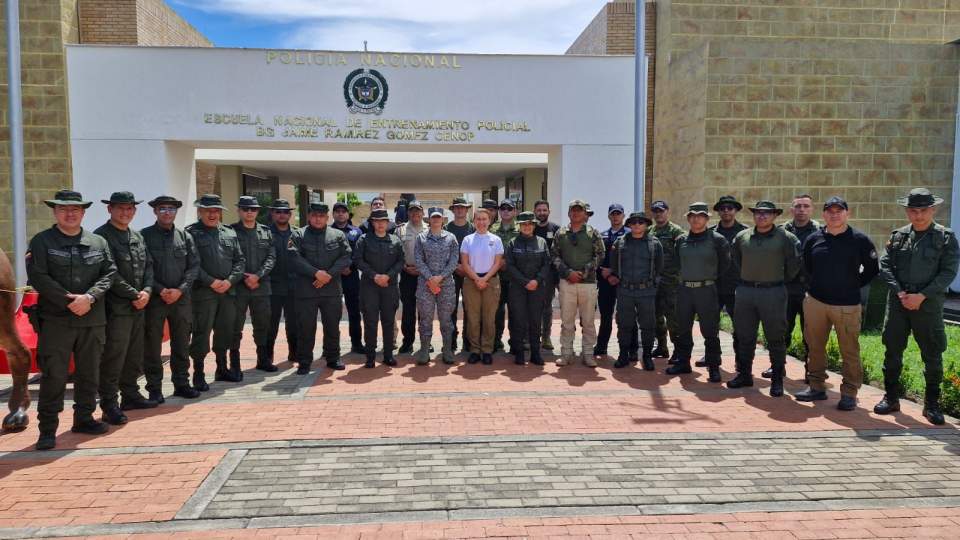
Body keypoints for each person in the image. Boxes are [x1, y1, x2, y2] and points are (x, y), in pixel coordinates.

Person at [28, 189, 117, 450]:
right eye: (64, 209)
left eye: (75, 209)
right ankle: (47, 429)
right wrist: (70, 300)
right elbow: (39, 277)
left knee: (89, 372)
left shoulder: (98, 242)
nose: (70, 213)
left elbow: (109, 273)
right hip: (57, 320)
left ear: (83, 212)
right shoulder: (42, 242)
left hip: (92, 318)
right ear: (55, 212)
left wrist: (89, 298)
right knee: (54, 375)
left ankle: (84, 418)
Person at [875, 188, 959, 425]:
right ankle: (891, 397)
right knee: (892, 350)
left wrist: (921, 295)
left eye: (924, 210)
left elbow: (948, 272)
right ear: (907, 211)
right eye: (913, 210)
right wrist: (901, 292)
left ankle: (931, 405)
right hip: (899, 302)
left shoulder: (945, 238)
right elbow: (885, 265)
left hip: (929, 304)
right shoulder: (898, 236)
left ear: (933, 210)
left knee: (932, 353)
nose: (919, 215)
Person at [794, 197, 879, 410]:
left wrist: (851, 286)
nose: (834, 214)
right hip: (816, 303)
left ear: (847, 213)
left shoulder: (860, 240)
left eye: (839, 211)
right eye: (829, 211)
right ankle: (816, 387)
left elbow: (871, 270)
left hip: (847, 305)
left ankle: (849, 393)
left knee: (849, 350)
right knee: (815, 347)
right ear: (823, 215)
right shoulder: (813, 239)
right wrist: (814, 288)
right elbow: (805, 267)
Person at [94, 192, 157, 426]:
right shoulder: (101, 237)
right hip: (116, 307)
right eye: (120, 208)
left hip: (139, 306)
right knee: (114, 356)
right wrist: (134, 294)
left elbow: (149, 266)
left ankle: (131, 394)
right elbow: (109, 273)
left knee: (134, 354)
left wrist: (148, 291)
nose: (125, 213)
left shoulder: (137, 236)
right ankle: (109, 404)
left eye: (129, 209)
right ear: (109, 209)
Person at [727, 201, 801, 397]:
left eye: (767, 213)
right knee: (744, 336)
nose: (762, 216)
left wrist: (777, 280)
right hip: (746, 292)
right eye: (758, 213)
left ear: (775, 216)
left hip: (773, 293)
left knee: (775, 337)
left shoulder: (785, 238)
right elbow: (735, 260)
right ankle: (744, 374)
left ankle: (777, 379)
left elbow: (794, 264)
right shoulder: (742, 236)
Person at [142, 195, 200, 403]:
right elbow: (144, 267)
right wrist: (161, 290)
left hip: (181, 299)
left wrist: (180, 290)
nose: (167, 212)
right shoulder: (144, 236)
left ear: (176, 212)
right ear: (155, 211)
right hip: (156, 300)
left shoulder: (185, 237)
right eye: (162, 209)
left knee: (182, 344)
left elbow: (194, 267)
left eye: (171, 209)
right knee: (152, 346)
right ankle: (154, 389)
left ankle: (181, 384)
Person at [186, 194, 245, 391]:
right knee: (201, 334)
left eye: (216, 210)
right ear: (200, 211)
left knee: (225, 332)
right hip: (204, 293)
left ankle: (222, 368)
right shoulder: (191, 233)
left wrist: (229, 281)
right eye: (208, 210)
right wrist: (211, 281)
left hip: (228, 293)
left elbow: (240, 261)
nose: (212, 214)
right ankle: (199, 374)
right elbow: (192, 264)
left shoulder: (229, 233)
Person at [667, 203, 730, 382]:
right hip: (685, 290)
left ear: (707, 218)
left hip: (706, 290)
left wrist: (711, 280)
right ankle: (683, 363)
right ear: (688, 218)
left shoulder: (717, 239)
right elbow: (677, 263)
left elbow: (725, 265)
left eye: (700, 215)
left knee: (709, 331)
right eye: (692, 216)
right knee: (683, 329)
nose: (696, 219)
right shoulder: (681, 240)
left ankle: (713, 366)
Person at [288, 202, 353, 374]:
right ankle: (304, 362)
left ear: (327, 217)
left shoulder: (338, 235)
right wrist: (316, 273)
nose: (318, 219)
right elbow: (294, 258)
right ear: (309, 216)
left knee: (332, 326)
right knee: (306, 328)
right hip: (306, 291)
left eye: (321, 216)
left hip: (331, 291)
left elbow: (346, 257)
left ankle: (333, 358)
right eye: (314, 215)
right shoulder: (298, 234)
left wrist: (328, 275)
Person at [552, 199, 605, 367]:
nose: (576, 213)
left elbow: (600, 254)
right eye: (573, 210)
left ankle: (588, 353)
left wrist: (585, 271)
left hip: (588, 283)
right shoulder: (561, 233)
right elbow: (554, 255)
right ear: (569, 213)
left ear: (585, 214)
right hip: (567, 283)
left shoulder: (592, 233)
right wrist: (568, 272)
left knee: (588, 321)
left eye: (579, 211)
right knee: (567, 321)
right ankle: (566, 353)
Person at [773, 194, 819, 381]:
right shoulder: (781, 231)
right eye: (798, 206)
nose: (801, 210)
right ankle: (778, 366)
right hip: (786, 289)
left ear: (811, 209)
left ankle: (811, 369)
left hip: (809, 291)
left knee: (810, 333)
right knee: (781, 330)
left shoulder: (819, 231)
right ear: (791, 210)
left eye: (805, 206)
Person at [229, 196, 275, 376]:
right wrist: (243, 277)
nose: (249, 212)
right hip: (238, 287)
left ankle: (263, 360)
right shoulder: (230, 231)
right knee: (235, 326)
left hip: (261, 286)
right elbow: (229, 258)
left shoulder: (266, 231)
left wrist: (258, 276)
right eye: (245, 209)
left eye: (253, 209)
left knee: (263, 324)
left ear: (257, 211)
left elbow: (272, 257)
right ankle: (234, 364)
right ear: (239, 210)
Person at [610, 212, 663, 370]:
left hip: (646, 291)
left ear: (646, 225)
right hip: (625, 290)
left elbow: (659, 267)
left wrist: (653, 285)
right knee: (624, 325)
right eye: (634, 222)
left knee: (648, 325)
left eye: (641, 222)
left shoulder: (654, 243)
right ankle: (623, 355)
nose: (637, 225)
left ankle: (646, 356)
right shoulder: (620, 243)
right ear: (629, 225)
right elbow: (614, 264)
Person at [353, 208, 404, 368]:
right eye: (377, 221)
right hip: (370, 287)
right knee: (370, 322)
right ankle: (370, 356)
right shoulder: (363, 239)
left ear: (387, 222)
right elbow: (358, 260)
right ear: (372, 223)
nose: (380, 224)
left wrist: (387, 276)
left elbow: (400, 262)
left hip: (389, 286)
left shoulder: (395, 240)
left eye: (383, 221)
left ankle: (388, 355)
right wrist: (375, 276)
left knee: (388, 321)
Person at [413, 207, 461, 365]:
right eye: (433, 217)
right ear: (429, 219)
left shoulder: (451, 238)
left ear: (443, 219)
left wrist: (440, 277)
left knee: (446, 319)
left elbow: (454, 260)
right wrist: (431, 278)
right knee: (425, 319)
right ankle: (424, 350)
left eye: (438, 217)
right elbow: (418, 260)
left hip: (446, 285)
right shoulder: (421, 238)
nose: (435, 220)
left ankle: (447, 350)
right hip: (425, 285)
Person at [505, 211, 552, 365]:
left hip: (537, 288)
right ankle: (519, 353)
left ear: (533, 225)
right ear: (519, 226)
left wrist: (537, 281)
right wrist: (525, 281)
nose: (526, 227)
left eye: (529, 224)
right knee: (518, 320)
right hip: (518, 288)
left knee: (535, 320)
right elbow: (510, 266)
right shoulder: (512, 243)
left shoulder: (541, 242)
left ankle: (535, 353)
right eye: (523, 224)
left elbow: (547, 264)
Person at [460, 208, 505, 365]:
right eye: (478, 219)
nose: (481, 222)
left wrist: (485, 278)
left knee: (489, 318)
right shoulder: (467, 240)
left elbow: (498, 262)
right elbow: (464, 263)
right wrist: (477, 279)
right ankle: (474, 350)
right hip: (471, 282)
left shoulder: (496, 240)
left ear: (489, 220)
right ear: (474, 221)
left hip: (490, 281)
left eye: (484, 219)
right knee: (473, 318)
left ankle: (487, 350)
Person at [708, 195, 747, 367]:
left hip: (736, 286)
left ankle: (740, 360)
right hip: (714, 286)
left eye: (730, 208)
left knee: (739, 327)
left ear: (736, 210)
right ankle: (712, 357)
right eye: (722, 208)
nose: (726, 211)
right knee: (710, 326)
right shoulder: (709, 233)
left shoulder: (745, 233)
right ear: (718, 211)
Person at [650, 200, 684, 361]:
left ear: (667, 211)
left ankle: (678, 350)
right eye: (655, 211)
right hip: (654, 282)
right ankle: (661, 347)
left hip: (672, 282)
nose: (658, 214)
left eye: (661, 211)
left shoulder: (676, 231)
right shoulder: (649, 231)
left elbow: (683, 255)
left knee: (673, 318)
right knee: (656, 316)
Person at [266, 199, 297, 368]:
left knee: (294, 323)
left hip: (293, 286)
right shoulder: (265, 233)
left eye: (285, 212)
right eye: (278, 212)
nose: (282, 215)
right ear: (272, 214)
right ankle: (267, 356)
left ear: (290, 215)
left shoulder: (297, 234)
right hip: (272, 285)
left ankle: (294, 352)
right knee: (271, 324)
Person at [595, 204, 628, 356]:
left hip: (624, 282)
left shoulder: (629, 234)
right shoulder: (602, 235)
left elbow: (630, 260)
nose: (615, 217)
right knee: (606, 316)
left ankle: (629, 349)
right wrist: (607, 274)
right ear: (609, 216)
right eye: (613, 214)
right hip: (606, 282)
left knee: (626, 317)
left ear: (623, 216)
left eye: (618, 214)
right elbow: (597, 258)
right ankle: (601, 346)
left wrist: (615, 273)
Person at [332, 201, 364, 354]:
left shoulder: (356, 232)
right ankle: (331, 346)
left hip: (351, 276)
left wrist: (349, 266)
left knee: (354, 312)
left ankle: (356, 344)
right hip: (332, 278)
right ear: (333, 214)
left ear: (347, 214)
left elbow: (359, 253)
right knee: (331, 314)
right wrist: (338, 269)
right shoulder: (327, 231)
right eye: (337, 211)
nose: (340, 214)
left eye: (343, 211)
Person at [445, 197, 476, 352]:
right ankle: (451, 341)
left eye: (462, 207)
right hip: (451, 274)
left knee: (470, 308)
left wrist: (466, 267)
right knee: (451, 308)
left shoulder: (473, 228)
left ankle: (468, 341)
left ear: (467, 209)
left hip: (469, 273)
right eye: (456, 207)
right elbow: (443, 252)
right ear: (453, 210)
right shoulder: (446, 228)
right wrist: (455, 266)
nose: (459, 210)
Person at [397, 201, 426, 354]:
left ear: (423, 213)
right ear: (408, 213)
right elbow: (396, 252)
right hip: (407, 274)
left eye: (418, 211)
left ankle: (425, 342)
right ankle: (407, 342)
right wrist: (404, 267)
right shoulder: (400, 230)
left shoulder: (430, 229)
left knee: (425, 311)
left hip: (425, 276)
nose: (415, 214)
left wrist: (423, 269)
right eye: (412, 211)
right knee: (408, 311)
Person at [491, 199, 519, 352]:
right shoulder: (493, 229)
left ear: (514, 211)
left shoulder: (522, 228)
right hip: (498, 277)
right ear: (499, 211)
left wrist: (508, 262)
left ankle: (515, 342)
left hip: (515, 278)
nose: (506, 211)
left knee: (516, 311)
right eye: (503, 208)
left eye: (510, 208)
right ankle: (496, 341)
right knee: (497, 311)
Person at [533, 199, 560, 351]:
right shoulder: (530, 227)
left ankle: (546, 337)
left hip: (550, 275)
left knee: (547, 307)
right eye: (539, 210)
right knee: (532, 306)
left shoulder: (556, 229)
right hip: (533, 274)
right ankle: (532, 336)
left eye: (544, 210)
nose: (542, 213)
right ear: (534, 211)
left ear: (549, 212)